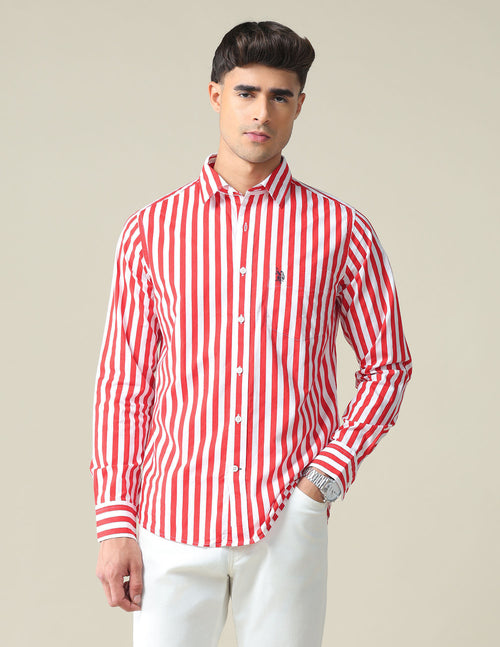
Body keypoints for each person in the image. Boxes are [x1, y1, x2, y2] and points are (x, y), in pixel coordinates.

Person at [91, 20, 412, 647]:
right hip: (170, 520)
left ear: (299, 106)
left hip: (285, 520)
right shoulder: (151, 232)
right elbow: (124, 385)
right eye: (246, 92)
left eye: (279, 96)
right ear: (216, 95)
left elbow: (388, 365)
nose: (261, 112)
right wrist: (115, 523)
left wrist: (321, 483)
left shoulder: (342, 231)